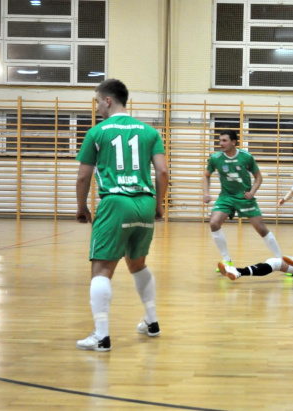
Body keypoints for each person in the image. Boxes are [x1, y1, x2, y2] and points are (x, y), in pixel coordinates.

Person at [75, 79, 168, 352]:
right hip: (145, 202)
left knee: (102, 269)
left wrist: (81, 206)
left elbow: (83, 176)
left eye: (96, 101)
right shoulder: (150, 132)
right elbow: (162, 172)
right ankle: (151, 322)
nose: (96, 108)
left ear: (107, 100)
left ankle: (101, 336)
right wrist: (159, 204)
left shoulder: (97, 132)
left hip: (115, 201)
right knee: (137, 263)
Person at [203, 129, 282, 270]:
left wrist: (252, 192)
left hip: (244, 197)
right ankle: (227, 260)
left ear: (234, 142)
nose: (221, 143)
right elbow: (206, 175)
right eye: (220, 140)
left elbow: (259, 177)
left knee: (260, 228)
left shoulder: (246, 157)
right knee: (214, 223)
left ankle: (281, 260)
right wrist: (206, 192)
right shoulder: (215, 158)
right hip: (226, 197)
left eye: (224, 140)